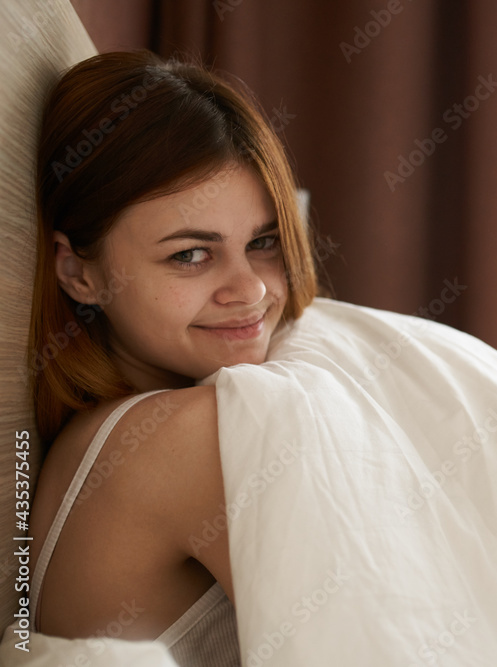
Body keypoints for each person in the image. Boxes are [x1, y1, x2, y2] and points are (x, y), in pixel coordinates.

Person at [27, 49, 316, 665]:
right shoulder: (184, 437)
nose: (252, 290)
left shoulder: (124, 428)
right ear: (79, 274)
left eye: (264, 241)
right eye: (190, 254)